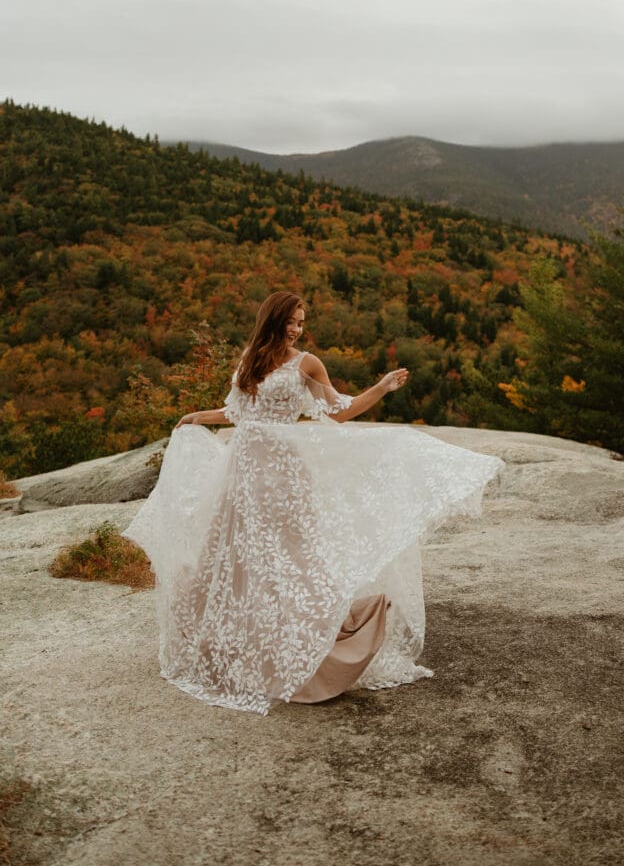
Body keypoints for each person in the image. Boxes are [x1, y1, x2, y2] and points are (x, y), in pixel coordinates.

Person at [123, 291, 503, 715]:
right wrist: (196, 416)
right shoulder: (251, 356)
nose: (297, 329)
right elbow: (239, 412)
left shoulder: (307, 363)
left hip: (283, 475)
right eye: (292, 321)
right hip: (242, 473)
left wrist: (380, 387)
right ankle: (237, 648)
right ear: (274, 318)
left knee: (291, 561)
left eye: (302, 323)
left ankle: (331, 640)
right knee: (237, 558)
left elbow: (338, 412)